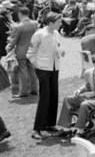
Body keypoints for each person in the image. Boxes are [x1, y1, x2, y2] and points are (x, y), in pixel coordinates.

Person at [57, 54, 95, 137]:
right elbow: (87, 86)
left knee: (84, 104)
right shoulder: (88, 72)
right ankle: (65, 129)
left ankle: (79, 131)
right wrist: (79, 90)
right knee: (68, 99)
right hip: (92, 98)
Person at [27, 12, 65, 140]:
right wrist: (37, 65)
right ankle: (37, 129)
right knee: (45, 98)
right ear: (50, 23)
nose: (61, 24)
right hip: (43, 69)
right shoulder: (39, 34)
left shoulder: (56, 34)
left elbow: (59, 49)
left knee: (54, 96)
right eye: (58, 22)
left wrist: (61, 52)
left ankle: (50, 124)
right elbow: (30, 53)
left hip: (55, 68)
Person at [5, 7, 38, 98]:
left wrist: (8, 47)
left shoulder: (18, 26)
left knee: (22, 71)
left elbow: (13, 41)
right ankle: (34, 90)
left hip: (22, 51)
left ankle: (23, 92)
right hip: (32, 51)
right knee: (32, 70)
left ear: (20, 14)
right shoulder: (35, 24)